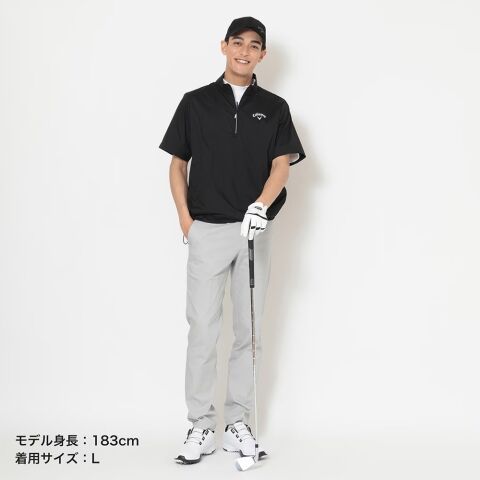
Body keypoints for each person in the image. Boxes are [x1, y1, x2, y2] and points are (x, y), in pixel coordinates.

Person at [158, 16, 306, 465]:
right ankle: (201, 425)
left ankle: (237, 422)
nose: (244, 51)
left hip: (253, 232)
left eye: (253, 45)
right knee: (203, 330)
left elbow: (281, 165)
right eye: (237, 42)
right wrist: (186, 221)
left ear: (263, 54)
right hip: (206, 229)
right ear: (223, 46)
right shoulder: (196, 102)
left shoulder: (275, 107)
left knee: (249, 332)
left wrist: (260, 206)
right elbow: (177, 163)